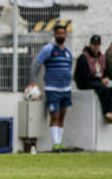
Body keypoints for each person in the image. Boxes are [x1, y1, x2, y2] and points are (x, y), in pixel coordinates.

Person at [29, 24, 73, 152]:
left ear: (66, 35)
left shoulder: (68, 52)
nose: (61, 35)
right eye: (58, 33)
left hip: (66, 89)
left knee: (62, 116)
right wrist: (33, 82)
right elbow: (36, 64)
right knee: (55, 115)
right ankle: (55, 144)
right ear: (55, 34)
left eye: (63, 33)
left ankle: (59, 142)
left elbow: (69, 68)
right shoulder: (48, 49)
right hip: (52, 89)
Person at [75, 35, 112, 122]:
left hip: (97, 80)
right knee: (103, 88)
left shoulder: (101, 57)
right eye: (94, 44)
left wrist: (106, 77)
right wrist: (100, 80)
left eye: (98, 45)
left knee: (109, 86)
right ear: (90, 44)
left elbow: (104, 70)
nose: (96, 47)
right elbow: (84, 75)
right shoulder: (84, 57)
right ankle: (107, 112)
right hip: (84, 82)